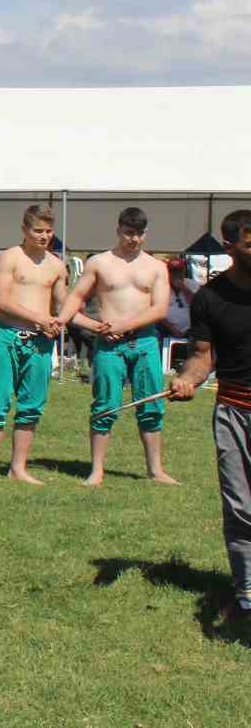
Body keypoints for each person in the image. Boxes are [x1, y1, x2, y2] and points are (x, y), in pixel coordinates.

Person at [55, 207, 176, 486]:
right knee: (105, 405)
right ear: (118, 229)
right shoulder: (99, 262)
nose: (134, 239)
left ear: (146, 234)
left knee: (151, 405)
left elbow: (159, 309)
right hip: (109, 345)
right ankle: (96, 470)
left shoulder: (156, 266)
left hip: (144, 341)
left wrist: (125, 326)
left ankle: (155, 469)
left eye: (139, 234)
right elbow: (75, 298)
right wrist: (80, 322)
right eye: (129, 233)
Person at [172, 208, 251, 622]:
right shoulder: (210, 298)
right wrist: (187, 380)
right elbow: (202, 359)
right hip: (235, 411)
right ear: (230, 247)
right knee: (241, 508)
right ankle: (246, 596)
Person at [0, 204, 67, 487]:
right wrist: (40, 318)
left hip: (40, 343)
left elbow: (64, 305)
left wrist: (63, 322)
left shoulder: (56, 265)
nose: (44, 236)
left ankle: (18, 467)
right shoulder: (10, 257)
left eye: (49, 231)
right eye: (37, 230)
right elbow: (2, 301)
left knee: (31, 406)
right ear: (24, 230)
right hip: (6, 336)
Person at [163, 257, 197, 339]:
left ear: (184, 271)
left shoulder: (193, 284)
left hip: (192, 329)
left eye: (179, 271)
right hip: (167, 329)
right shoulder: (162, 286)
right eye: (173, 272)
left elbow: (197, 305)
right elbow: (157, 312)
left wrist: (183, 288)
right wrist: (170, 328)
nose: (176, 274)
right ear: (168, 272)